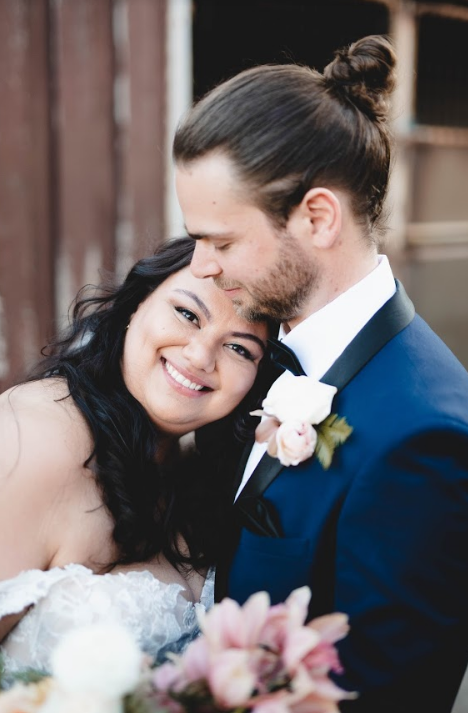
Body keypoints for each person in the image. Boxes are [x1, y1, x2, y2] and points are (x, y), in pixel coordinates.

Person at [173, 35, 468, 713]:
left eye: (220, 241)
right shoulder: (248, 350)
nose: (199, 267)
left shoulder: (424, 438)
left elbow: (382, 697)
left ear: (316, 216)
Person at [0, 237, 272, 677]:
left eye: (240, 348)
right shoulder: (30, 436)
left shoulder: (198, 475)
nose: (200, 356)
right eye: (187, 315)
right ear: (135, 306)